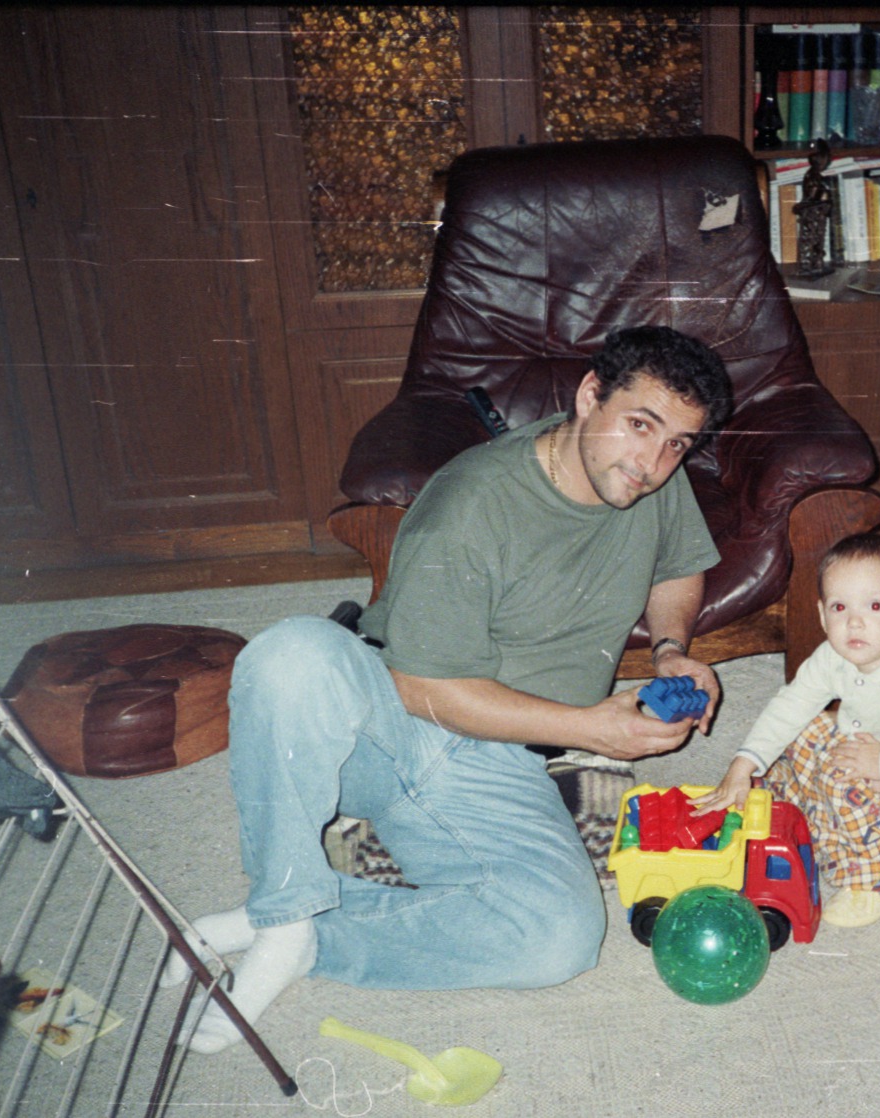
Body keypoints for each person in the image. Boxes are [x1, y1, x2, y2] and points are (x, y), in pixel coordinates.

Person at [167, 326, 733, 1053]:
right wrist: (592, 729)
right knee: (291, 654)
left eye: (677, 444)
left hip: (503, 763)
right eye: (640, 426)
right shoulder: (470, 502)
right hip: (389, 722)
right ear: (591, 396)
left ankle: (312, 933)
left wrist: (671, 649)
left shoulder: (655, 476)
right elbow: (421, 685)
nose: (653, 463)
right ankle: (280, 914)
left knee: (559, 939)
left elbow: (676, 565)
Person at [692, 534, 880, 928]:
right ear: (823, 616)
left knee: (841, 782)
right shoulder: (832, 656)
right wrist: (744, 764)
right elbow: (790, 706)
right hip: (875, 741)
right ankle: (790, 802)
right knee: (807, 728)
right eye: (840, 607)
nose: (854, 621)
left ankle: (877, 880)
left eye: (875, 606)